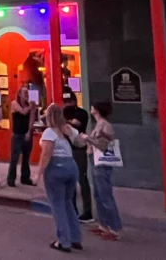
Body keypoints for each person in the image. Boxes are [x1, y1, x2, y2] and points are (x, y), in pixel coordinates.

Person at [38, 103, 86, 252]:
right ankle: (75, 238)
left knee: (58, 205)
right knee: (68, 203)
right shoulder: (68, 129)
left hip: (56, 167)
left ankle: (63, 241)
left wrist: (38, 174)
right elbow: (81, 143)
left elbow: (47, 153)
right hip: (71, 166)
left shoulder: (49, 132)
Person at [86, 101, 122, 241]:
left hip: (102, 163)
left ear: (97, 110)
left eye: (93, 106)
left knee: (105, 195)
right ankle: (103, 225)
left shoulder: (105, 125)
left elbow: (102, 145)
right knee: (98, 194)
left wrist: (88, 139)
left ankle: (114, 228)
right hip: (95, 161)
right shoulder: (99, 124)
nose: (91, 108)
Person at [63, 93, 93, 222]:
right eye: (65, 102)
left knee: (82, 179)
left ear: (74, 101)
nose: (67, 104)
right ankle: (72, 209)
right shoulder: (64, 113)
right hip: (67, 149)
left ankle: (87, 211)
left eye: (69, 101)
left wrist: (62, 120)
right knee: (70, 180)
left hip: (79, 149)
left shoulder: (81, 113)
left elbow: (76, 124)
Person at [7, 87, 36, 187]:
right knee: (14, 158)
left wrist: (29, 132)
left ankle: (25, 178)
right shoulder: (14, 103)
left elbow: (32, 119)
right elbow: (23, 112)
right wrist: (30, 107)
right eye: (25, 93)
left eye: (28, 92)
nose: (27, 94)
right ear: (19, 94)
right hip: (17, 134)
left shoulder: (30, 105)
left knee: (26, 157)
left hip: (26, 134)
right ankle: (11, 179)